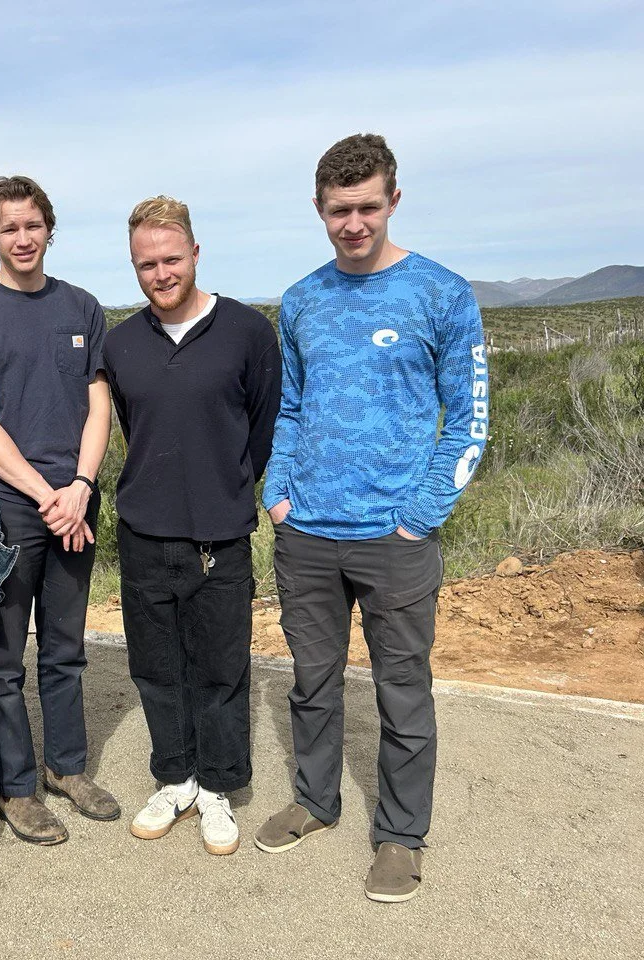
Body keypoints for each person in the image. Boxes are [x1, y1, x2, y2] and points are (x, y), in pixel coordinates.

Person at [255, 134, 489, 903]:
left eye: (366, 207)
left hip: (395, 540)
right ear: (318, 210)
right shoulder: (302, 300)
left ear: (393, 200)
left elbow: (469, 422)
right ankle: (315, 801)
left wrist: (419, 517)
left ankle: (400, 836)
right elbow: (290, 407)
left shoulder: (442, 294)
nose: (353, 223)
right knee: (311, 684)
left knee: (403, 692)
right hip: (307, 534)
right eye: (338, 210)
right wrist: (279, 493)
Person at [0, 175, 118, 846]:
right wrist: (47, 497)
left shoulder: (83, 307)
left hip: (75, 502)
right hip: (12, 508)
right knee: (5, 659)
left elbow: (99, 407)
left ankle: (66, 768)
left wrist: (81, 486)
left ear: (49, 229)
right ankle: (14, 787)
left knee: (66, 649)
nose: (22, 238)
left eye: (32, 224)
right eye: (9, 227)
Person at [103, 196, 280, 856]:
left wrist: (222, 488)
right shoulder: (121, 343)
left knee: (221, 668)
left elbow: (261, 428)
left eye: (171, 259)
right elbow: (134, 425)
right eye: (146, 264)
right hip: (145, 531)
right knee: (156, 668)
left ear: (196, 253)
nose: (161, 273)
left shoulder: (247, 332)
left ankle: (217, 788)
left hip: (220, 534)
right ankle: (175, 779)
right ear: (134, 266)